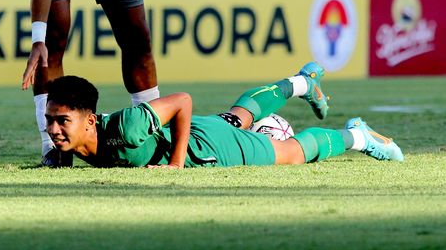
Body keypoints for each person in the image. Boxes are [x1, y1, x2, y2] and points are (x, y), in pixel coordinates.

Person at [44, 62, 404, 168]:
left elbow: (182, 100)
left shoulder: (128, 127)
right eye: (50, 120)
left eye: (62, 121)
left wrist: (176, 165)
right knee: (238, 115)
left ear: (90, 120)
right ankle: (301, 82)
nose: (54, 129)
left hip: (207, 148)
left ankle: (358, 136)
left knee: (291, 155)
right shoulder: (75, 144)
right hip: (201, 133)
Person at [22, 0, 159, 166]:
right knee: (55, 35)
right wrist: (37, 38)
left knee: (138, 37)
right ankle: (53, 149)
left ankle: (154, 136)